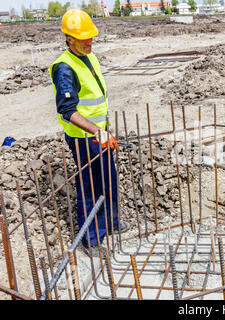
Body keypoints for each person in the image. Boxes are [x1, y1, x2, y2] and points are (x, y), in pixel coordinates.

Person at [49, 9, 129, 256]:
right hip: (84, 139)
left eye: (90, 36)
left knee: (109, 178)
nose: (89, 41)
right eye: (83, 38)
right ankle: (91, 239)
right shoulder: (64, 67)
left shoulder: (89, 57)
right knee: (91, 187)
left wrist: (103, 130)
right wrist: (97, 130)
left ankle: (111, 222)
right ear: (69, 38)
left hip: (99, 134)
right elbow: (67, 111)